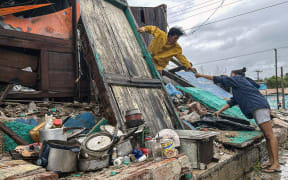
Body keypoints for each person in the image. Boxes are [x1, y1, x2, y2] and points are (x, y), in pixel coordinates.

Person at [195, 67, 281, 173]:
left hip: (258, 108)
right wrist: (219, 111)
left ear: (234, 75)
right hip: (257, 108)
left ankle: (276, 164)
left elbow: (220, 79)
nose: (230, 78)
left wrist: (200, 75)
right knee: (267, 136)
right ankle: (271, 161)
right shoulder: (239, 87)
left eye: (231, 76)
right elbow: (232, 102)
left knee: (270, 135)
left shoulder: (238, 79)